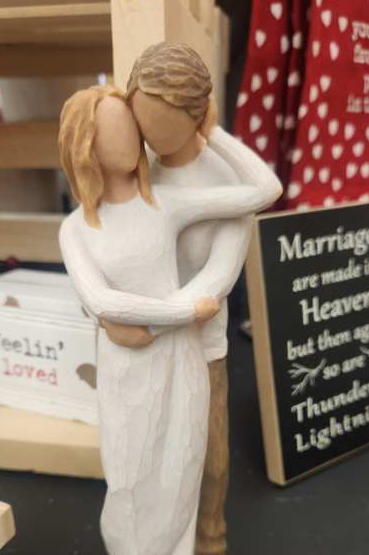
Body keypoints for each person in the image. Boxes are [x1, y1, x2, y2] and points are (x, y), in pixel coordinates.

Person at [58, 84, 282, 555]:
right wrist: (181, 312)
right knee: (127, 473)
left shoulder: (164, 204)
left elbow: (265, 190)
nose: (129, 138)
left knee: (182, 469)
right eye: (113, 129)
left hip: (181, 360)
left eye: (129, 126)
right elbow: (101, 301)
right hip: (125, 367)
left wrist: (210, 131)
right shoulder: (75, 228)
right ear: (85, 143)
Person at [107, 42, 259, 555]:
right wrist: (109, 312)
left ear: (197, 116)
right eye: (141, 121)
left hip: (197, 341)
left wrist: (152, 322)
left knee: (207, 452)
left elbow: (217, 279)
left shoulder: (226, 181)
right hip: (141, 341)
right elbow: (110, 243)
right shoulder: (137, 167)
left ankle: (210, 535)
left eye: (162, 124)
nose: (149, 137)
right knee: (148, 450)